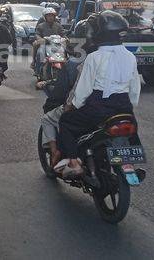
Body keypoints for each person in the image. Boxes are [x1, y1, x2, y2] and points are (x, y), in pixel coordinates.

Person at [55, 11, 141, 178]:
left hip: (98, 107)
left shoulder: (94, 57)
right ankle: (127, 162)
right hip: (123, 106)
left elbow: (83, 90)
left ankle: (73, 163)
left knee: (66, 121)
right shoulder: (130, 56)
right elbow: (135, 89)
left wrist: (71, 106)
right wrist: (130, 106)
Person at [39, 14, 99, 167]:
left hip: (84, 108)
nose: (51, 17)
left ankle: (57, 153)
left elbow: (64, 93)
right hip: (111, 108)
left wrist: (53, 102)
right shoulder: (110, 59)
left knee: (50, 117)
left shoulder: (74, 64)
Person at [32, 7, 65, 71]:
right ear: (45, 17)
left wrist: (65, 38)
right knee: (39, 52)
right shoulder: (40, 26)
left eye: (52, 15)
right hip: (45, 43)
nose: (50, 17)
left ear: (54, 16)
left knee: (65, 52)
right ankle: (35, 65)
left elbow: (63, 34)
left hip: (56, 44)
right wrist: (40, 39)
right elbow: (37, 34)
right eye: (48, 15)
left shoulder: (58, 25)